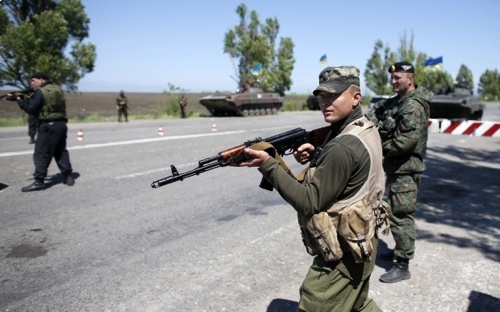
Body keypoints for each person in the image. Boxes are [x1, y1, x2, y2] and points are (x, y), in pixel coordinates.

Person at [236, 66, 387, 311]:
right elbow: (347, 173)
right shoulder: (363, 127)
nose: (325, 102)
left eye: (333, 95)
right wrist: (318, 154)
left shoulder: (343, 146)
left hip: (344, 252)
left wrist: (268, 165)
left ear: (356, 97)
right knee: (357, 304)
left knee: (314, 302)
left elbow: (308, 202)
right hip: (363, 241)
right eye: (321, 96)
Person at [366, 61, 431, 283]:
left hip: (406, 169)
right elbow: (376, 112)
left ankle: (403, 264)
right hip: (394, 167)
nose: (393, 82)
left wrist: (378, 145)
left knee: (401, 215)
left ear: (410, 79)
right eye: (392, 78)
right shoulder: (396, 102)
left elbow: (406, 142)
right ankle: (398, 251)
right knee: (394, 211)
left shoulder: (413, 106)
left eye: (398, 78)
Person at [15, 72, 74, 192]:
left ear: (41, 80)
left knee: (41, 153)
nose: (32, 82)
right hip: (61, 124)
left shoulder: (40, 92)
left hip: (47, 126)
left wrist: (20, 101)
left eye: (33, 80)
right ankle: (68, 177)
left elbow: (32, 109)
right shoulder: (58, 90)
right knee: (60, 151)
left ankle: (39, 181)